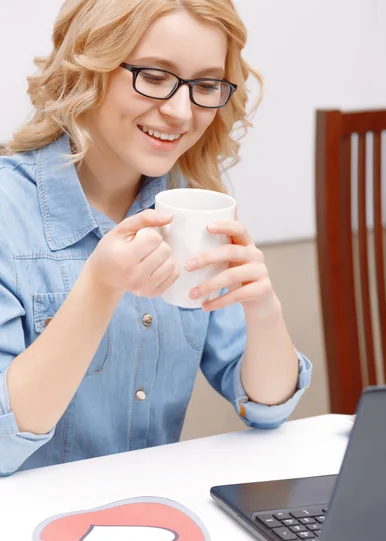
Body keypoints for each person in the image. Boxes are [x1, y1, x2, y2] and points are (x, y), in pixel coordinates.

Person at [0, 0, 311, 476]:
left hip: (153, 527)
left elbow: (268, 407)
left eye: (205, 85)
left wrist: (263, 308)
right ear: (91, 68)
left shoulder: (187, 207)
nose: (181, 111)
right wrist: (100, 288)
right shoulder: (8, 212)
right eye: (154, 76)